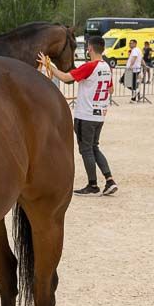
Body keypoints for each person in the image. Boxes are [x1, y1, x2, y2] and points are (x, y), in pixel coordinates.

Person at [39, 36, 118, 196]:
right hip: (99, 115)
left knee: (86, 149)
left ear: (89, 49)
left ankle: (93, 185)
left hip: (86, 115)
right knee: (94, 147)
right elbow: (111, 90)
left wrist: (49, 65)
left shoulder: (89, 66)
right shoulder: (106, 67)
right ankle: (109, 180)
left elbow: (66, 77)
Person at [125, 38, 142, 102]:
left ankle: (135, 93)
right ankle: (135, 96)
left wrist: (131, 66)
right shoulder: (138, 50)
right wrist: (144, 65)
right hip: (136, 69)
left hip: (133, 69)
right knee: (134, 84)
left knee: (125, 82)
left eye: (131, 43)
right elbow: (141, 59)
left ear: (135, 44)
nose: (130, 44)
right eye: (129, 43)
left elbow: (135, 57)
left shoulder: (134, 50)